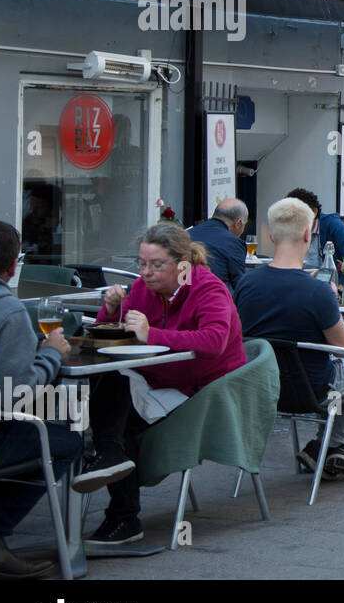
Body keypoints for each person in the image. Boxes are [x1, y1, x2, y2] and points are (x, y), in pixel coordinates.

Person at [84, 222, 248, 546]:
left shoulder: (207, 288)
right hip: (155, 380)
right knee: (106, 389)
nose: (145, 272)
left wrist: (151, 334)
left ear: (182, 264)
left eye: (156, 265)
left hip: (202, 391)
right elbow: (117, 338)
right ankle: (110, 462)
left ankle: (123, 515)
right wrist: (110, 311)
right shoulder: (143, 289)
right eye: (141, 263)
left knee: (115, 423)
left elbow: (214, 341)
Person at [234, 198, 344, 480]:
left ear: (271, 236)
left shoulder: (246, 283)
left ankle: (328, 448)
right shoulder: (317, 291)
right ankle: (329, 445)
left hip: (263, 387)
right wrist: (329, 296)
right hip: (315, 389)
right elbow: (343, 346)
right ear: (308, 234)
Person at [0, 220, 89, 579]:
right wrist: (51, 355)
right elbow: (11, 398)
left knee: (60, 413)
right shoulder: (7, 312)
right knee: (67, 437)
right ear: (14, 266)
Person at [286, 188, 344, 270]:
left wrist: (341, 283)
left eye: (299, 216)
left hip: (329, 280)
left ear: (314, 212)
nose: (294, 222)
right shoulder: (289, 230)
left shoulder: (333, 225)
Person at [187, 198, 249, 291]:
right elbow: (239, 284)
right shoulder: (233, 242)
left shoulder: (187, 234)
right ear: (238, 223)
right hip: (214, 297)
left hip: (183, 296)